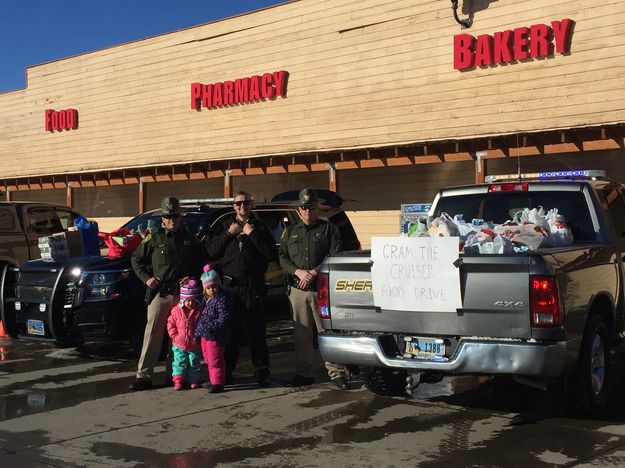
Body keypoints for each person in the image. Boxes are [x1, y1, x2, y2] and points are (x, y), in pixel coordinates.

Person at [129, 196, 205, 391]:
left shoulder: (189, 239)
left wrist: (193, 278)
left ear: (180, 217)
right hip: (160, 293)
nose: (173, 220)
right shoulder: (154, 238)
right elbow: (136, 259)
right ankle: (144, 376)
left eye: (176, 216)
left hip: (183, 297)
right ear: (162, 219)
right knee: (152, 335)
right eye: (169, 216)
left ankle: (175, 375)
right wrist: (146, 278)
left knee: (179, 337)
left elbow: (200, 262)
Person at [279, 188, 351, 390]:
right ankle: (304, 373)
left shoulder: (329, 229)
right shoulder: (291, 231)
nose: (308, 211)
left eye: (311, 207)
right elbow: (282, 258)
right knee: (301, 334)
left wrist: (313, 272)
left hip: (322, 291)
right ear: (299, 209)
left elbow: (335, 254)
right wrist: (297, 272)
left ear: (317, 208)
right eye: (304, 207)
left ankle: (337, 373)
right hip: (298, 290)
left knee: (327, 332)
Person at [206, 191, 276, 387]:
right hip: (230, 287)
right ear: (233, 206)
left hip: (253, 286)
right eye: (238, 203)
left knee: (256, 331)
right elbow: (211, 251)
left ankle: (262, 370)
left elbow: (270, 253)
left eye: (245, 203)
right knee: (230, 330)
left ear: (250, 204)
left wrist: (252, 233)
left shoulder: (260, 226)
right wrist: (230, 233)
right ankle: (227, 371)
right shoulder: (225, 225)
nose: (242, 206)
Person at [195, 264, 233, 394]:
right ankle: (213, 379)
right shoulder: (206, 301)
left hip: (216, 336)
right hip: (206, 335)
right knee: (208, 358)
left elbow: (223, 318)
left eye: (214, 287)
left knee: (215, 359)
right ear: (205, 289)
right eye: (209, 288)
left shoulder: (221, 300)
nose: (212, 290)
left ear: (219, 286)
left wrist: (211, 326)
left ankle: (218, 383)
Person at [167, 279, 203, 391]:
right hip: (179, 343)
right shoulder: (176, 311)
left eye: (192, 300)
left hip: (194, 344)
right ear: (183, 300)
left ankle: (193, 380)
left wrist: (199, 336)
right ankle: (178, 381)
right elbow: (170, 322)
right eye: (187, 301)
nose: (190, 303)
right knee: (179, 362)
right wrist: (174, 335)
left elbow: (202, 324)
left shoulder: (198, 311)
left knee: (194, 363)